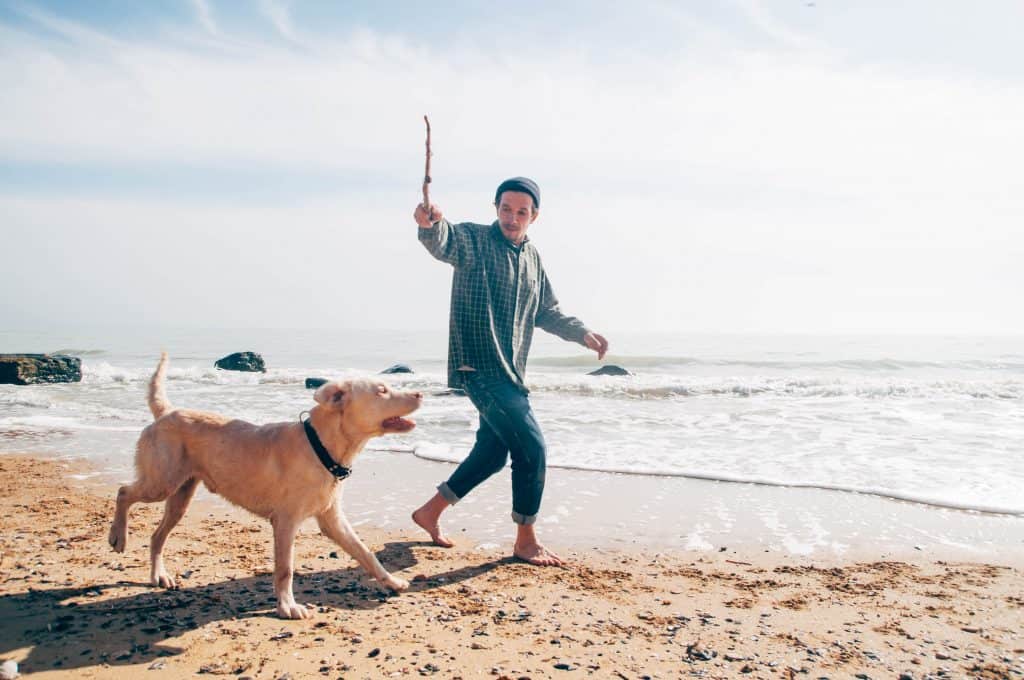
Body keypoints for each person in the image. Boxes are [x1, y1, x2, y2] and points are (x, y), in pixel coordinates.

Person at [411, 177, 609, 566]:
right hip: (477, 367)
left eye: (521, 212)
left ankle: (430, 512)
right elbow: (443, 241)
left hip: (510, 373)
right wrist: (428, 224)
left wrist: (582, 333)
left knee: (491, 454)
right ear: (496, 208)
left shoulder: (533, 259)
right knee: (532, 448)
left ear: (534, 216)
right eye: (505, 209)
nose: (512, 218)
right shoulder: (473, 241)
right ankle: (525, 540)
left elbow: (546, 311)